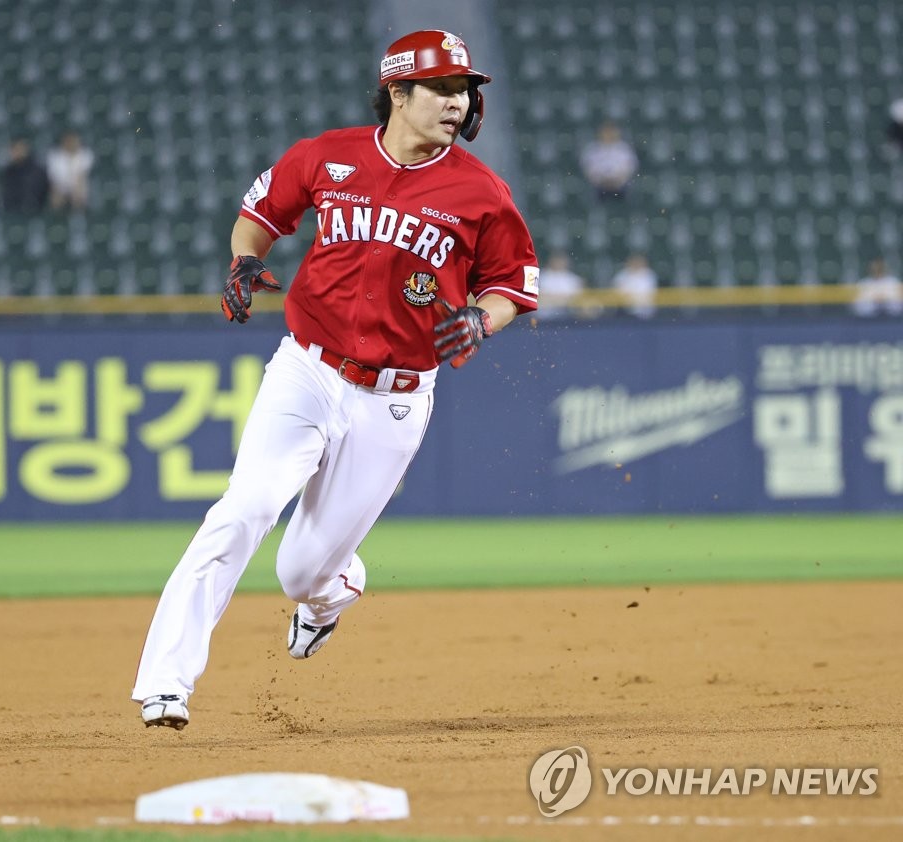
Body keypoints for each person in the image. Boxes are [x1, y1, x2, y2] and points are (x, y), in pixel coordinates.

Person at [133, 29, 539, 730]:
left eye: (464, 90)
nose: (457, 102)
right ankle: (164, 682)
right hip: (308, 368)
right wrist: (241, 262)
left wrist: (482, 318)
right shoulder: (326, 156)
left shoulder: (482, 191)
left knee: (301, 573)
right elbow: (257, 219)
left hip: (398, 399)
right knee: (244, 506)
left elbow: (510, 284)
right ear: (397, 93)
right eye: (441, 88)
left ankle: (334, 592)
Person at [579, 122, 639, 200]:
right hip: (599, 186)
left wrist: (618, 180)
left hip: (620, 186)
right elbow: (588, 168)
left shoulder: (624, 149)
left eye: (611, 132)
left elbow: (630, 167)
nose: (608, 135)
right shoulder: (592, 149)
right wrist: (601, 180)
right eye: (606, 132)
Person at [47, 131, 94, 210]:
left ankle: (78, 217)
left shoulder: (86, 154)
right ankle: (56, 219)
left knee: (80, 190)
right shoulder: (55, 156)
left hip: (78, 186)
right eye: (68, 141)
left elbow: (82, 176)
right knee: (55, 195)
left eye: (73, 141)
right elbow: (54, 178)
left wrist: (74, 189)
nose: (71, 144)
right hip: (61, 186)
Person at [0, 138, 49, 214]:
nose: (17, 152)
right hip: (12, 212)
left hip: (34, 212)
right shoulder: (8, 171)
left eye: (20, 149)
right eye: (15, 149)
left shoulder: (37, 170)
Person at [537, 252, 585, 318]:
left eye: (561, 260)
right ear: (551, 261)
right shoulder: (541, 277)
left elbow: (578, 299)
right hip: (544, 317)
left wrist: (554, 300)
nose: (559, 263)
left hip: (568, 317)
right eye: (556, 260)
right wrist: (562, 300)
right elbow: (538, 298)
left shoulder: (574, 279)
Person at [612, 254, 657, 319]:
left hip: (645, 312)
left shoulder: (649, 274)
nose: (636, 263)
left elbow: (648, 294)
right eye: (634, 261)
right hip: (625, 311)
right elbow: (617, 292)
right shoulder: (622, 274)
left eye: (639, 261)